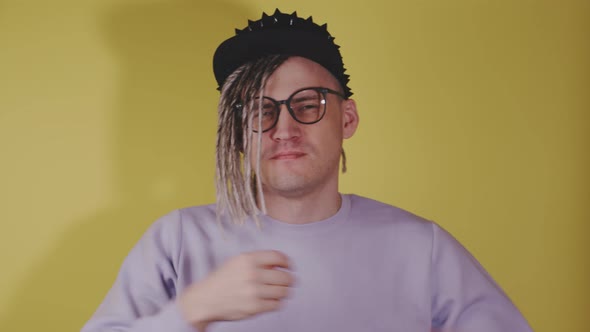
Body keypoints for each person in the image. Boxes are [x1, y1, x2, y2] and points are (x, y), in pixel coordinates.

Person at [82, 9, 533, 332]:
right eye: (260, 110)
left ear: (348, 119)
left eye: (307, 104)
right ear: (239, 133)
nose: (285, 128)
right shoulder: (177, 241)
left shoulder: (423, 247)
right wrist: (191, 312)